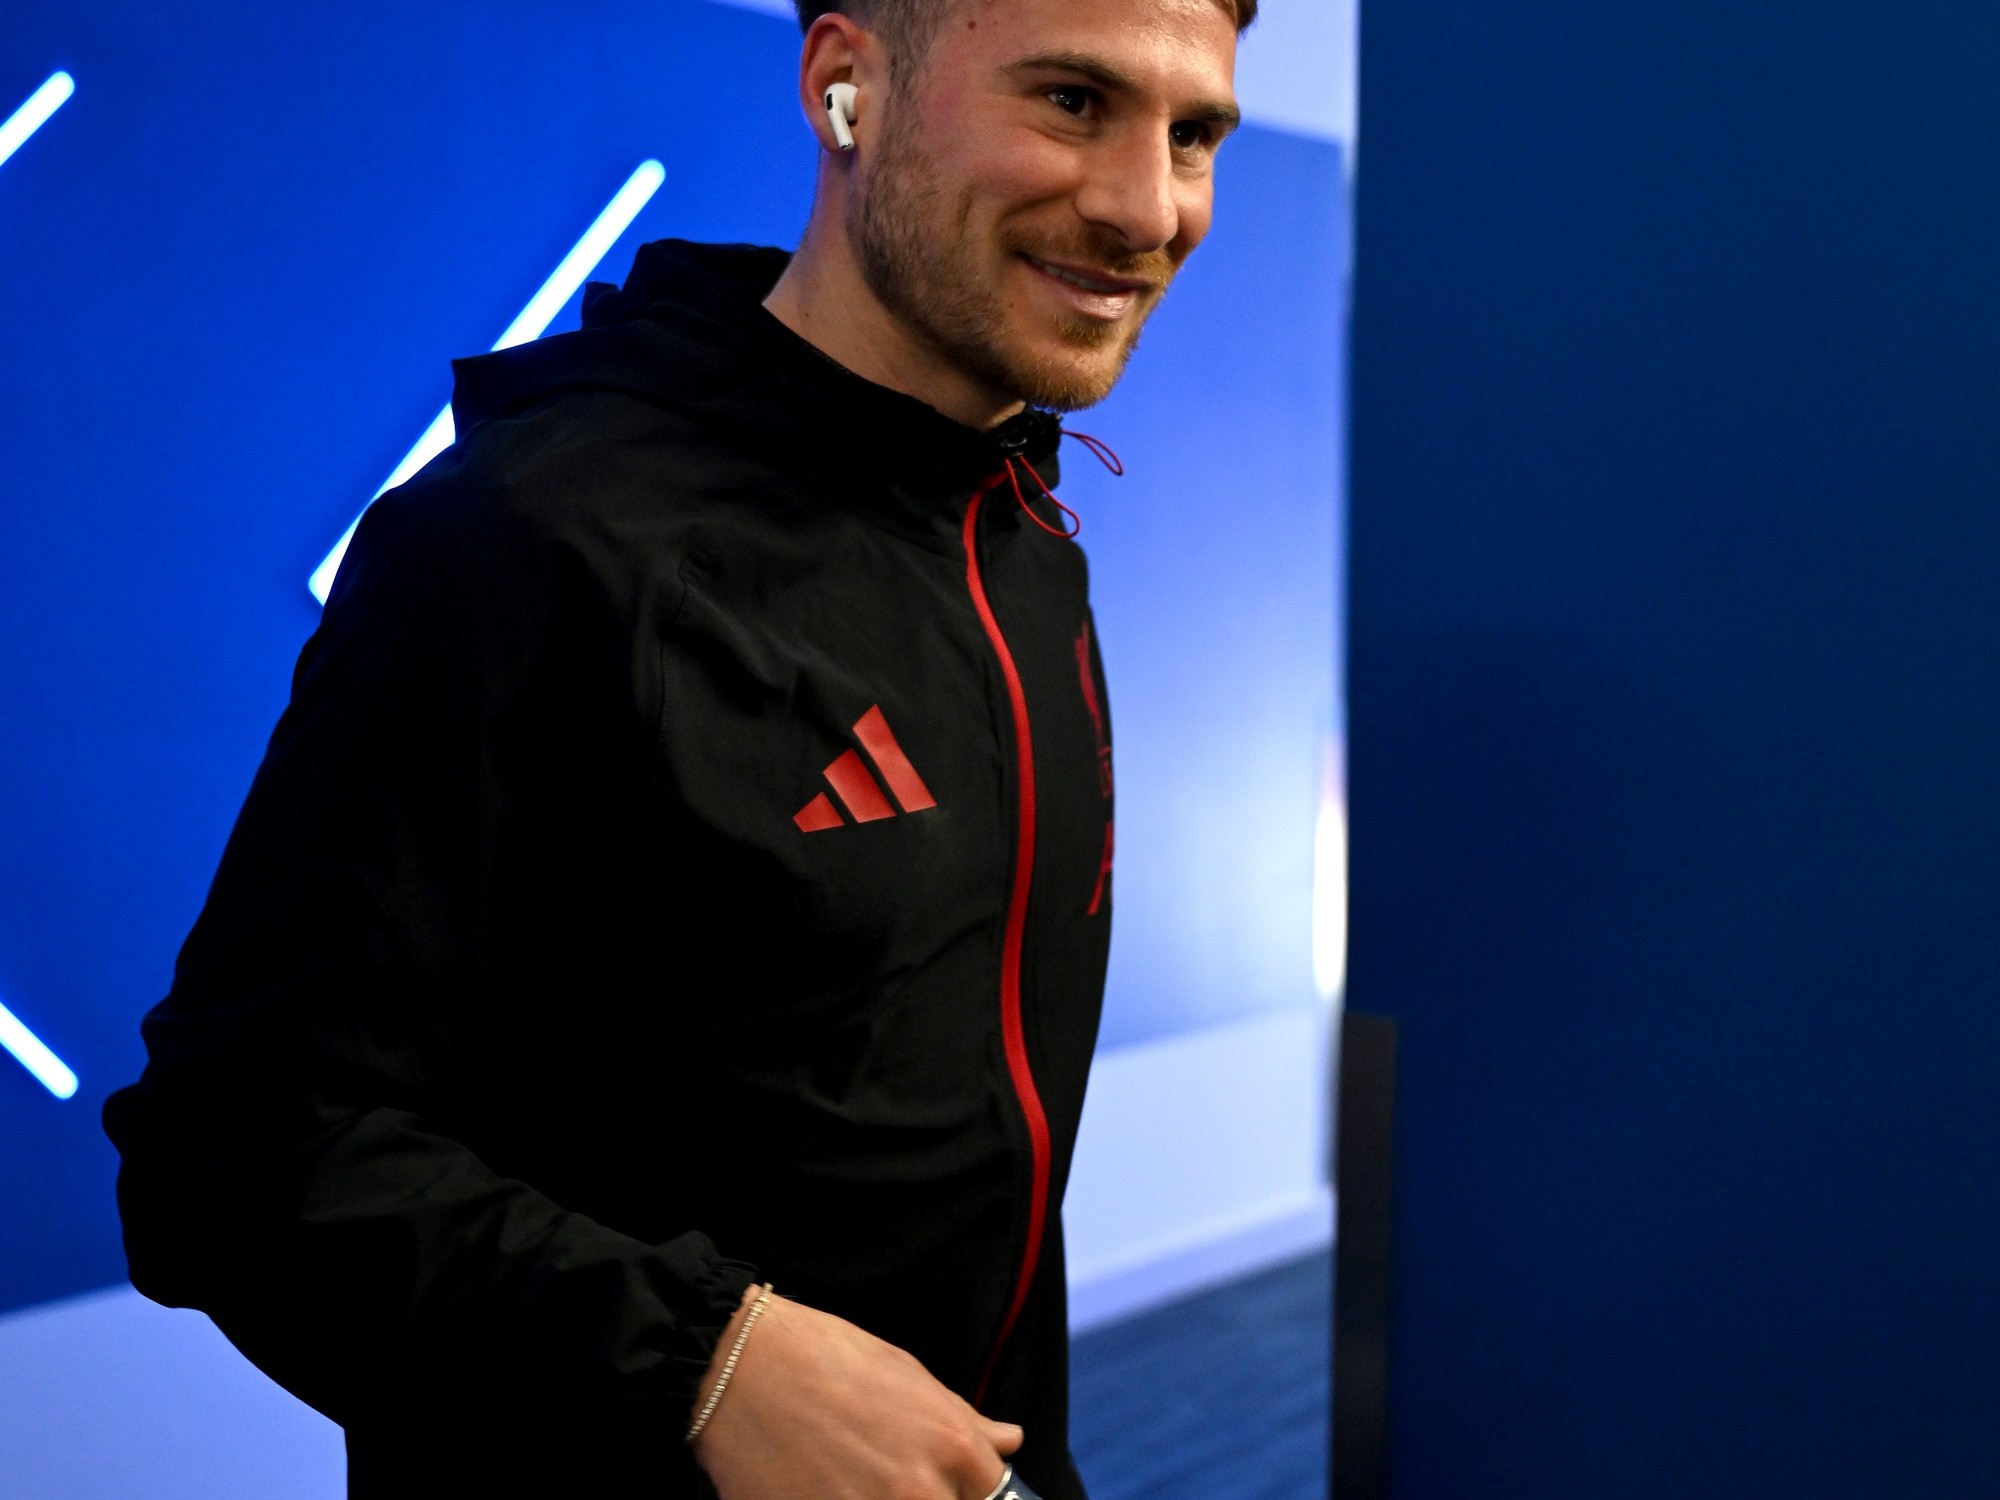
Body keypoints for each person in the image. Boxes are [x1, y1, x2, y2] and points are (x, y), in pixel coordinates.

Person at [102, 0, 1250, 1494]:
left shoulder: (1027, 544)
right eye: (1072, 101)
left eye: (1193, 133)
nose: (1148, 207)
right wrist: (702, 1364)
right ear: (845, 85)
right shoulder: (530, 537)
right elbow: (229, 1152)